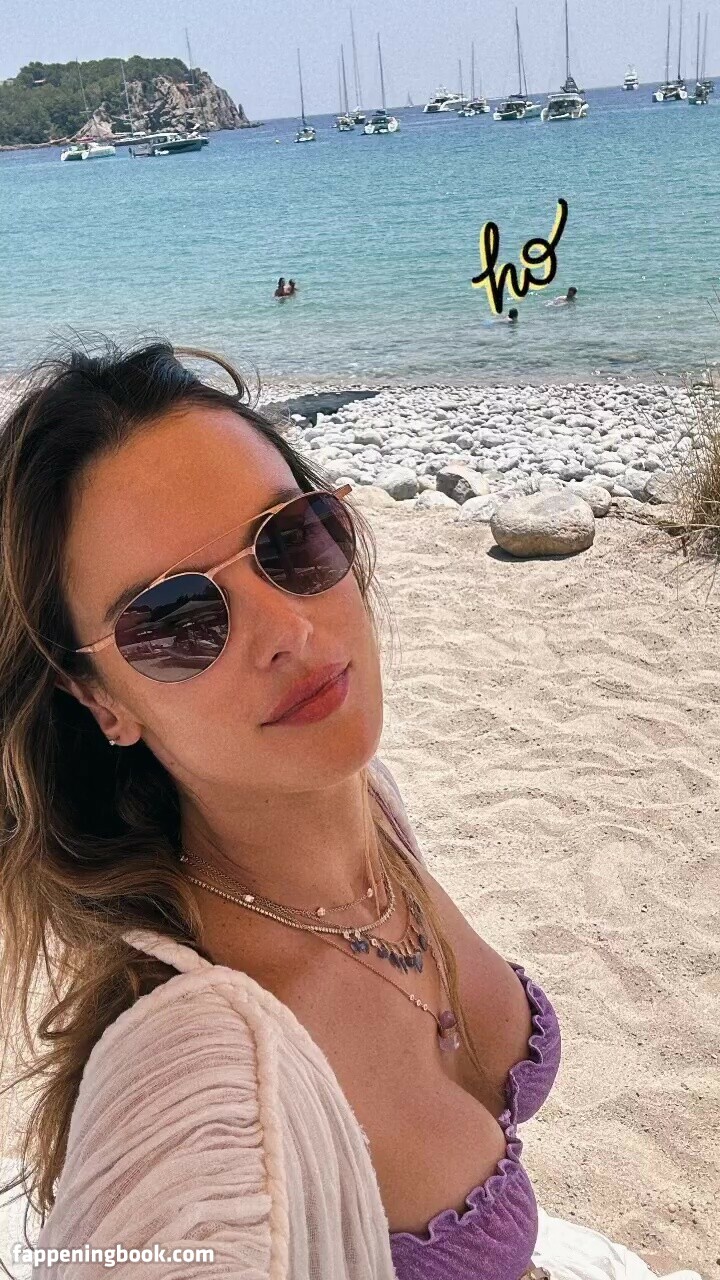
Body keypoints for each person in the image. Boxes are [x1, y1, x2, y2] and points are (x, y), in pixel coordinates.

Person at [0, 340, 702, 1280]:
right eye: (176, 620)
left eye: (291, 541)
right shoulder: (197, 1082)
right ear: (98, 700)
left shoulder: (373, 809)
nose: (290, 630)